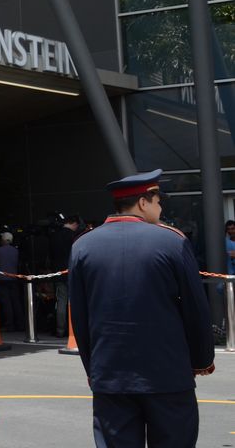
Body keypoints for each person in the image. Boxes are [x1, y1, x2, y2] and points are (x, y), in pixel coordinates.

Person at [69, 169, 214, 448]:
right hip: (168, 374)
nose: (160, 208)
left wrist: (93, 369)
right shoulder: (172, 241)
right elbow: (196, 309)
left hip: (109, 376)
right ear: (143, 202)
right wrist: (201, 359)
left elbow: (81, 316)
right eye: (158, 201)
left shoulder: (83, 246)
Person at [50, 214, 79, 337]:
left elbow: (50, 255)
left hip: (58, 272)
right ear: (74, 223)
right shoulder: (74, 236)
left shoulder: (54, 235)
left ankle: (60, 330)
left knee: (61, 301)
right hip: (72, 272)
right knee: (74, 302)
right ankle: (74, 330)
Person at [0, 232, 24, 332]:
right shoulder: (16, 251)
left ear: (3, 240)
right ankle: (20, 324)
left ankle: (9, 324)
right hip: (13, 278)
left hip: (1, 279)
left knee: (6, 303)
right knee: (16, 302)